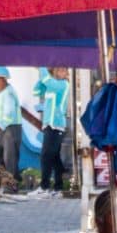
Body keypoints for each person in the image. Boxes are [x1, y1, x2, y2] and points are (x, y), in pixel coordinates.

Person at [27, 66, 72, 194]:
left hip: (56, 126)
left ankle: (44, 187)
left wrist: (42, 67)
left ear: (66, 73)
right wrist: (43, 77)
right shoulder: (52, 84)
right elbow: (36, 91)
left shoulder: (63, 85)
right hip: (49, 125)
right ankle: (58, 188)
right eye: (58, 70)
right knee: (54, 157)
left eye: (63, 70)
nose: (59, 72)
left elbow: (47, 81)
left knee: (45, 156)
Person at [0, 70, 23, 185]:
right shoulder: (1, 93)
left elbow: (9, 114)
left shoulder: (8, 93)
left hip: (11, 129)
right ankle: (12, 178)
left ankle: (11, 185)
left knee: (10, 159)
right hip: (3, 129)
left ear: (2, 80)